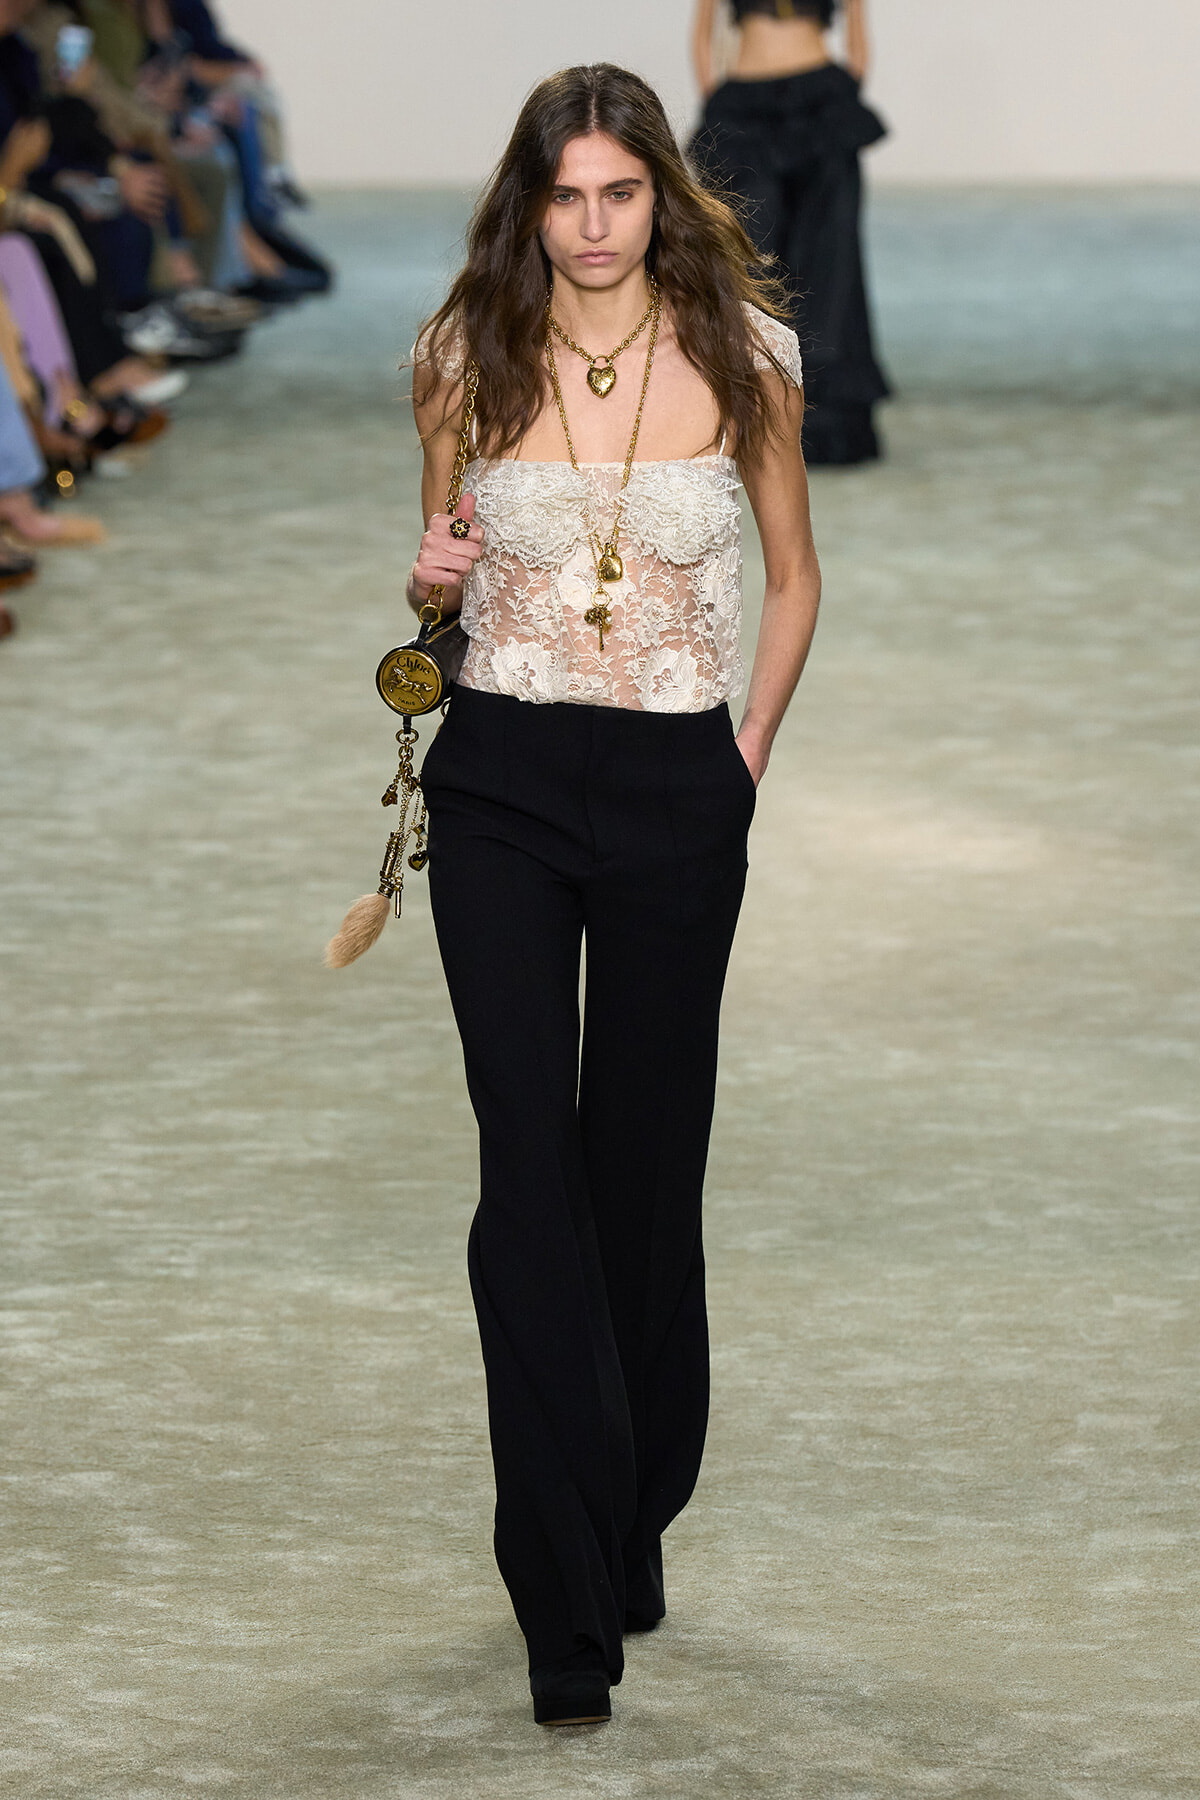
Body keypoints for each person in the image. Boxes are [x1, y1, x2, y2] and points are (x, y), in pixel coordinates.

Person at [406, 62, 820, 1726]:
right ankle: (561, 1587)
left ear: (661, 193)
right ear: (532, 200)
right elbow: (428, 568)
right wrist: (426, 573)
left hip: (671, 785)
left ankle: (633, 1495)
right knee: (526, 1163)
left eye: (620, 193)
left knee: (644, 1164)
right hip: (499, 773)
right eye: (564, 196)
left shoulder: (748, 358)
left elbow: (794, 580)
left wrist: (748, 755)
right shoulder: (461, 354)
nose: (591, 227)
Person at [690, 0, 889, 464]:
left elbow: (857, 25)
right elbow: (705, 27)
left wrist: (846, 95)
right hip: (743, 105)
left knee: (831, 263)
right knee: (747, 259)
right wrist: (715, 98)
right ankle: (749, 412)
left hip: (823, 99)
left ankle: (828, 426)